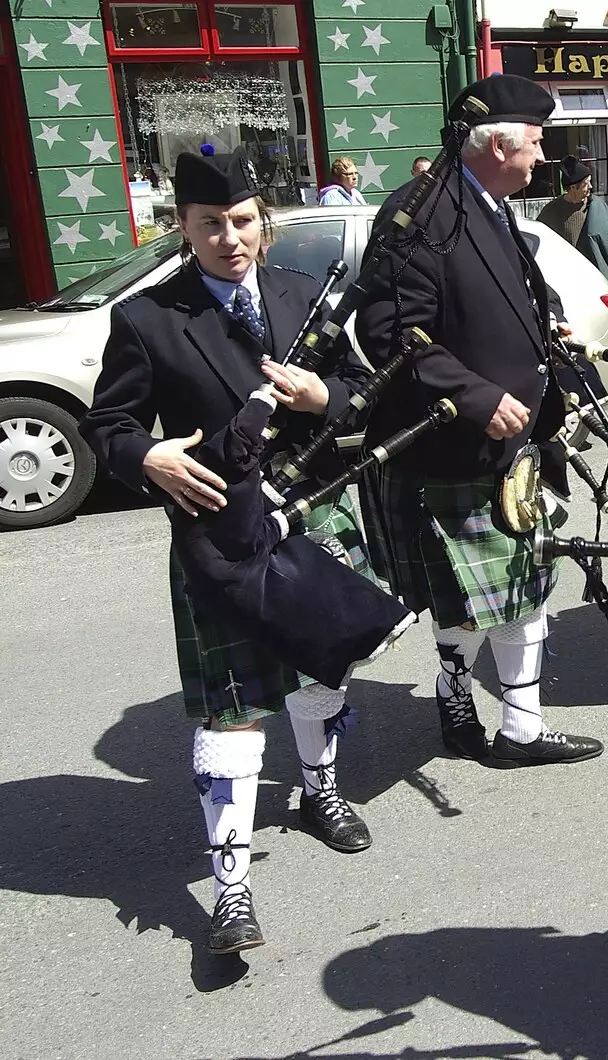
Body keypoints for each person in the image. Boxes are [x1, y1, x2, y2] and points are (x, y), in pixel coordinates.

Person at [78, 150, 375, 954]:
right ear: (182, 228)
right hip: (222, 535)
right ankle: (231, 886)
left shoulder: (297, 295)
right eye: (209, 224)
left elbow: (356, 392)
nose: (228, 238)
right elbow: (107, 427)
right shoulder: (146, 318)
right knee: (233, 713)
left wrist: (324, 396)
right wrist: (145, 456)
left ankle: (320, 790)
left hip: (314, 517)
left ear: (263, 223)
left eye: (242, 221)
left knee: (323, 672)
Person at [357, 74, 605, 770]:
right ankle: (487, 713)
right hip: (454, 444)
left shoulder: (489, 204)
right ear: (496, 143)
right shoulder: (420, 213)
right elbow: (386, 331)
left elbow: (509, 284)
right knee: (492, 597)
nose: (540, 156)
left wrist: (546, 318)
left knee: (512, 590)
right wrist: (472, 396)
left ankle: (491, 710)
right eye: (534, 142)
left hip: (511, 444)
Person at [538, 154, 608, 319]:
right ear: (573, 187)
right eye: (586, 183)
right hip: (568, 287)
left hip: (598, 285)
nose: (591, 187)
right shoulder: (551, 213)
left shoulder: (598, 207)